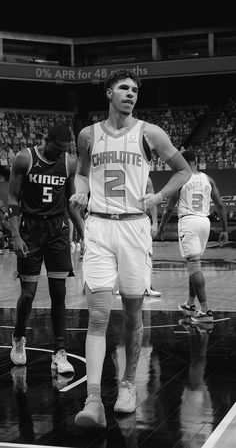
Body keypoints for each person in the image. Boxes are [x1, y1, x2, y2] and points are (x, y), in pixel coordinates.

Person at [70, 70, 191, 429]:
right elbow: (81, 172)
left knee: (134, 315)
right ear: (109, 93)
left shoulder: (150, 132)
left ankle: (128, 385)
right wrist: (81, 190)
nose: (130, 93)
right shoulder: (88, 135)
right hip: (99, 226)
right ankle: (93, 400)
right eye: (124, 88)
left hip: (134, 226)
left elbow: (182, 171)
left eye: (135, 90)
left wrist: (159, 195)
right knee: (98, 316)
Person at [8, 123, 83, 374]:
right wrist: (16, 236)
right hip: (30, 230)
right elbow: (12, 200)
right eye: (56, 148)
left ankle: (59, 352)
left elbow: (70, 202)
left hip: (57, 231)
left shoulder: (69, 163)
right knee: (27, 295)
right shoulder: (24, 158)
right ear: (45, 140)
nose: (59, 153)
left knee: (59, 292)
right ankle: (18, 338)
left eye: (64, 150)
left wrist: (82, 231)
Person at [158, 150, 228, 324]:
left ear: (182, 160)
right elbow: (219, 204)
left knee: (194, 264)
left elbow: (169, 207)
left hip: (189, 221)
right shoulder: (208, 179)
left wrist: (161, 227)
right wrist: (224, 229)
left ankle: (205, 310)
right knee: (193, 264)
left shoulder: (181, 178)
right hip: (204, 222)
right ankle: (190, 304)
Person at [144, 175, 161, 297]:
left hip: (139, 219)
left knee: (145, 255)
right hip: (124, 220)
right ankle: (126, 287)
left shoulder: (146, 179)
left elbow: (153, 202)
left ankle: (146, 286)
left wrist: (155, 223)